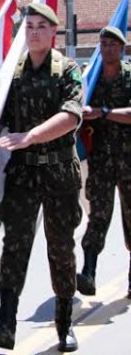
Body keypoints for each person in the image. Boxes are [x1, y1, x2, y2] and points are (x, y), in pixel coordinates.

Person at [0, 3, 82, 352]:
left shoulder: (67, 69)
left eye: (42, 26)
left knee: (60, 249)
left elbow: (71, 116)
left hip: (57, 172)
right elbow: (0, 119)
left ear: (53, 32)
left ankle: (65, 324)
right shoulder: (14, 73)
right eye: (29, 26)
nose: (34, 32)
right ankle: (6, 323)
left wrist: (29, 136)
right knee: (15, 247)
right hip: (23, 173)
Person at [77, 26, 131, 299]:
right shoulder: (92, 80)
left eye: (113, 44)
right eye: (103, 44)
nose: (107, 48)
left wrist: (104, 112)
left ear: (122, 48)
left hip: (128, 160)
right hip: (100, 161)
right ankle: (88, 272)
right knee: (98, 216)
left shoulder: (130, 77)